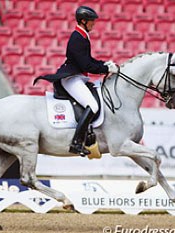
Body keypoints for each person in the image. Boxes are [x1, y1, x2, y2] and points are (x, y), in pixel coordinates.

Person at [34, 6, 119, 156]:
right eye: (92, 21)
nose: (94, 24)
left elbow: (89, 60)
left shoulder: (83, 36)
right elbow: (86, 65)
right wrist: (105, 70)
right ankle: (76, 142)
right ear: (84, 21)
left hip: (77, 76)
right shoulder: (78, 38)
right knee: (92, 105)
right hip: (71, 78)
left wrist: (105, 64)